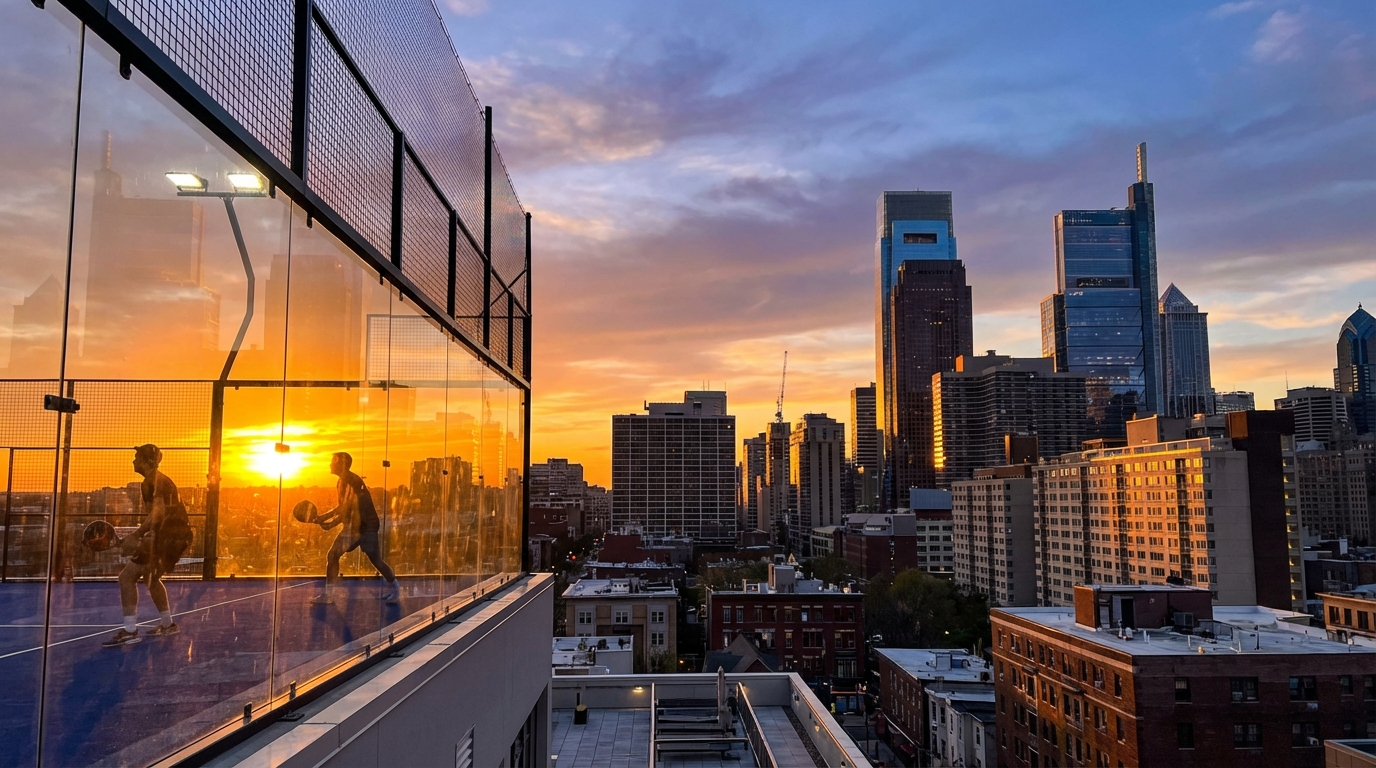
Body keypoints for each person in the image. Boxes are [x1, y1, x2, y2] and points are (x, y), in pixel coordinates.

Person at [103, 444, 193, 647]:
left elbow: (158, 513)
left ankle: (130, 631)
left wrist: (137, 534)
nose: (133, 461)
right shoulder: (157, 480)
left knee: (126, 577)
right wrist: (145, 536)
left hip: (168, 538)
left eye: (137, 457)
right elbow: (158, 516)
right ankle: (168, 624)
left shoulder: (152, 481)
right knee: (150, 578)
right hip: (176, 536)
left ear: (147, 461)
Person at [311, 452, 398, 605]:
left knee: (333, 556)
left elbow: (346, 508)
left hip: (359, 528)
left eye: (333, 461)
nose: (330, 464)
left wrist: (329, 522)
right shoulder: (348, 480)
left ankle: (329, 595)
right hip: (364, 526)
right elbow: (345, 507)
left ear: (341, 464)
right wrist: (325, 519)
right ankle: (395, 590)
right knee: (376, 560)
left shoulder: (347, 481)